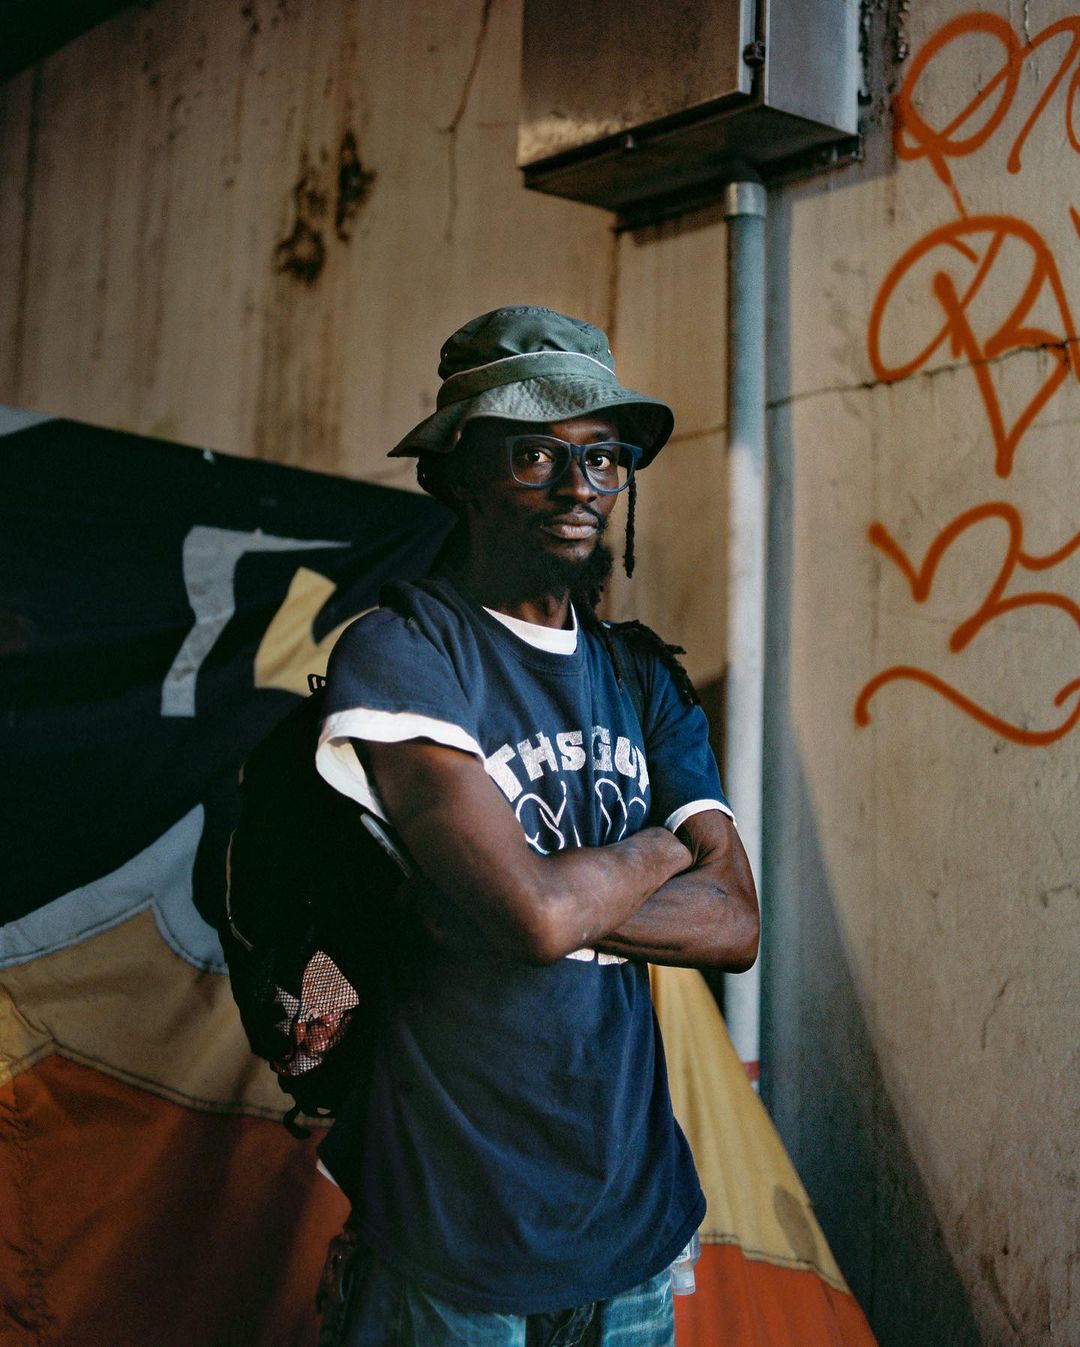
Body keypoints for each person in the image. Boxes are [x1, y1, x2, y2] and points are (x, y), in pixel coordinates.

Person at [313, 305, 758, 1347]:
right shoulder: (406, 651)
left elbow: (736, 923)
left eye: (603, 458)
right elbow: (536, 917)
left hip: (635, 1224)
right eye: (535, 454)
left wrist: (546, 895)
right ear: (459, 473)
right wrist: (659, 852)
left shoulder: (640, 675)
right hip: (458, 1239)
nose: (578, 487)